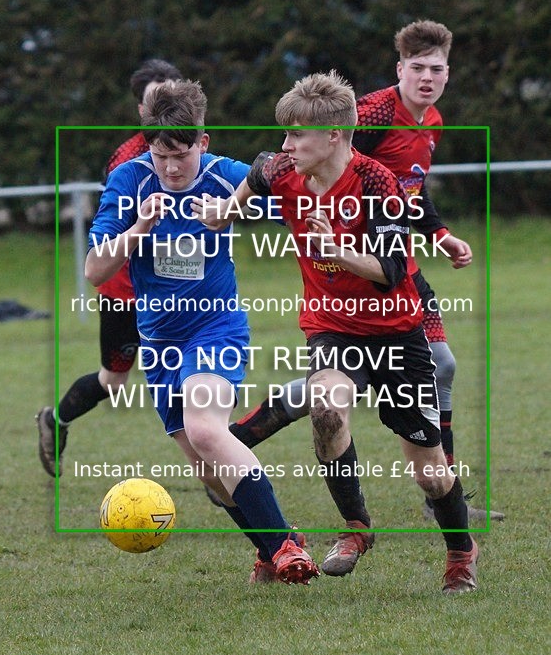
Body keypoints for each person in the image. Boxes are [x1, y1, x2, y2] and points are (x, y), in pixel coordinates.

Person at [193, 69, 478, 594]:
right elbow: (257, 173)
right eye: (285, 134)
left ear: (334, 135)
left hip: (397, 332)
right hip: (331, 327)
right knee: (326, 406)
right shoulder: (283, 169)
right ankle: (356, 527)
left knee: (430, 470)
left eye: (297, 134)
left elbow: (392, 269)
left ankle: (461, 550)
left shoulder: (376, 183)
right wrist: (225, 211)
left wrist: (336, 251)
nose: (287, 145)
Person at [225, 20, 503, 524]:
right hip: (362, 264)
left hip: (394, 263)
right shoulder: (375, 113)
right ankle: (431, 495)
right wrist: (326, 226)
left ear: (448, 73)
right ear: (399, 69)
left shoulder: (431, 121)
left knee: (439, 365)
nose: (427, 78)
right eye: (417, 68)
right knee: (407, 370)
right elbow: (344, 166)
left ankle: (440, 491)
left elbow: (409, 188)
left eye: (436, 69)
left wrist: (440, 234)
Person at [84, 79, 319, 585]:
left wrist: (249, 203)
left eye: (181, 155)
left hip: (215, 328)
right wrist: (137, 229)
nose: (171, 168)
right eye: (160, 155)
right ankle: (274, 547)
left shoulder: (223, 176)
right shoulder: (129, 181)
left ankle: (284, 548)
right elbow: (95, 270)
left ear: (203, 142)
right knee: (210, 473)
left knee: (207, 430)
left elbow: (293, 200)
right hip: (159, 343)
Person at [36, 59, 183, 477]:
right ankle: (55, 420)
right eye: (157, 100)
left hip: (177, 287)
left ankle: (218, 461)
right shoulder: (128, 160)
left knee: (195, 370)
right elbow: (114, 232)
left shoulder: (192, 148)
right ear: (141, 109)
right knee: (114, 381)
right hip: (127, 290)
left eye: (174, 96)